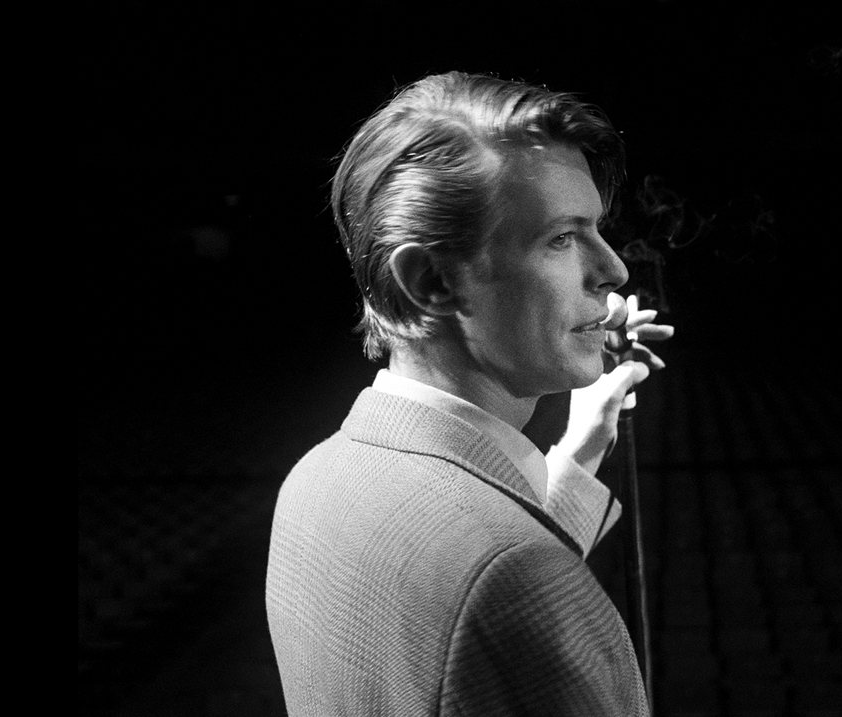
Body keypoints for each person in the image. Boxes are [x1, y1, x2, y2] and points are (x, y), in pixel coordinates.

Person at [265, 71, 672, 716]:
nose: (613, 269)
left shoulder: (314, 479)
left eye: (596, 228)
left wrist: (585, 443)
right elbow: (503, 585)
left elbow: (468, 605)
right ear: (431, 280)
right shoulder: (513, 576)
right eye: (561, 238)